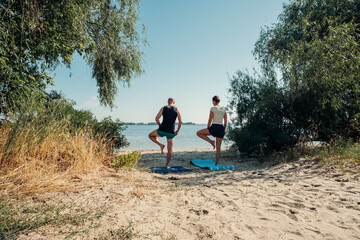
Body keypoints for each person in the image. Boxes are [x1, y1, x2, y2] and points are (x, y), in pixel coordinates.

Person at [148, 98, 182, 168]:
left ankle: (160, 145)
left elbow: (156, 118)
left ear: (168, 102)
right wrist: (177, 130)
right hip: (171, 132)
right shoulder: (177, 109)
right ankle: (167, 165)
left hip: (162, 130)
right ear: (174, 102)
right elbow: (180, 121)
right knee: (170, 149)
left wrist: (160, 126)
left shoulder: (163, 108)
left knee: (150, 135)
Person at [196, 96, 227, 166]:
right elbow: (225, 121)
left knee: (198, 133)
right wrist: (224, 130)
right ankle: (216, 163)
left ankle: (211, 142)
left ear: (214, 101)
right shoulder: (224, 109)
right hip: (221, 128)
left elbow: (210, 119)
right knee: (218, 148)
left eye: (212, 101)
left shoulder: (213, 108)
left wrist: (207, 128)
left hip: (214, 127)